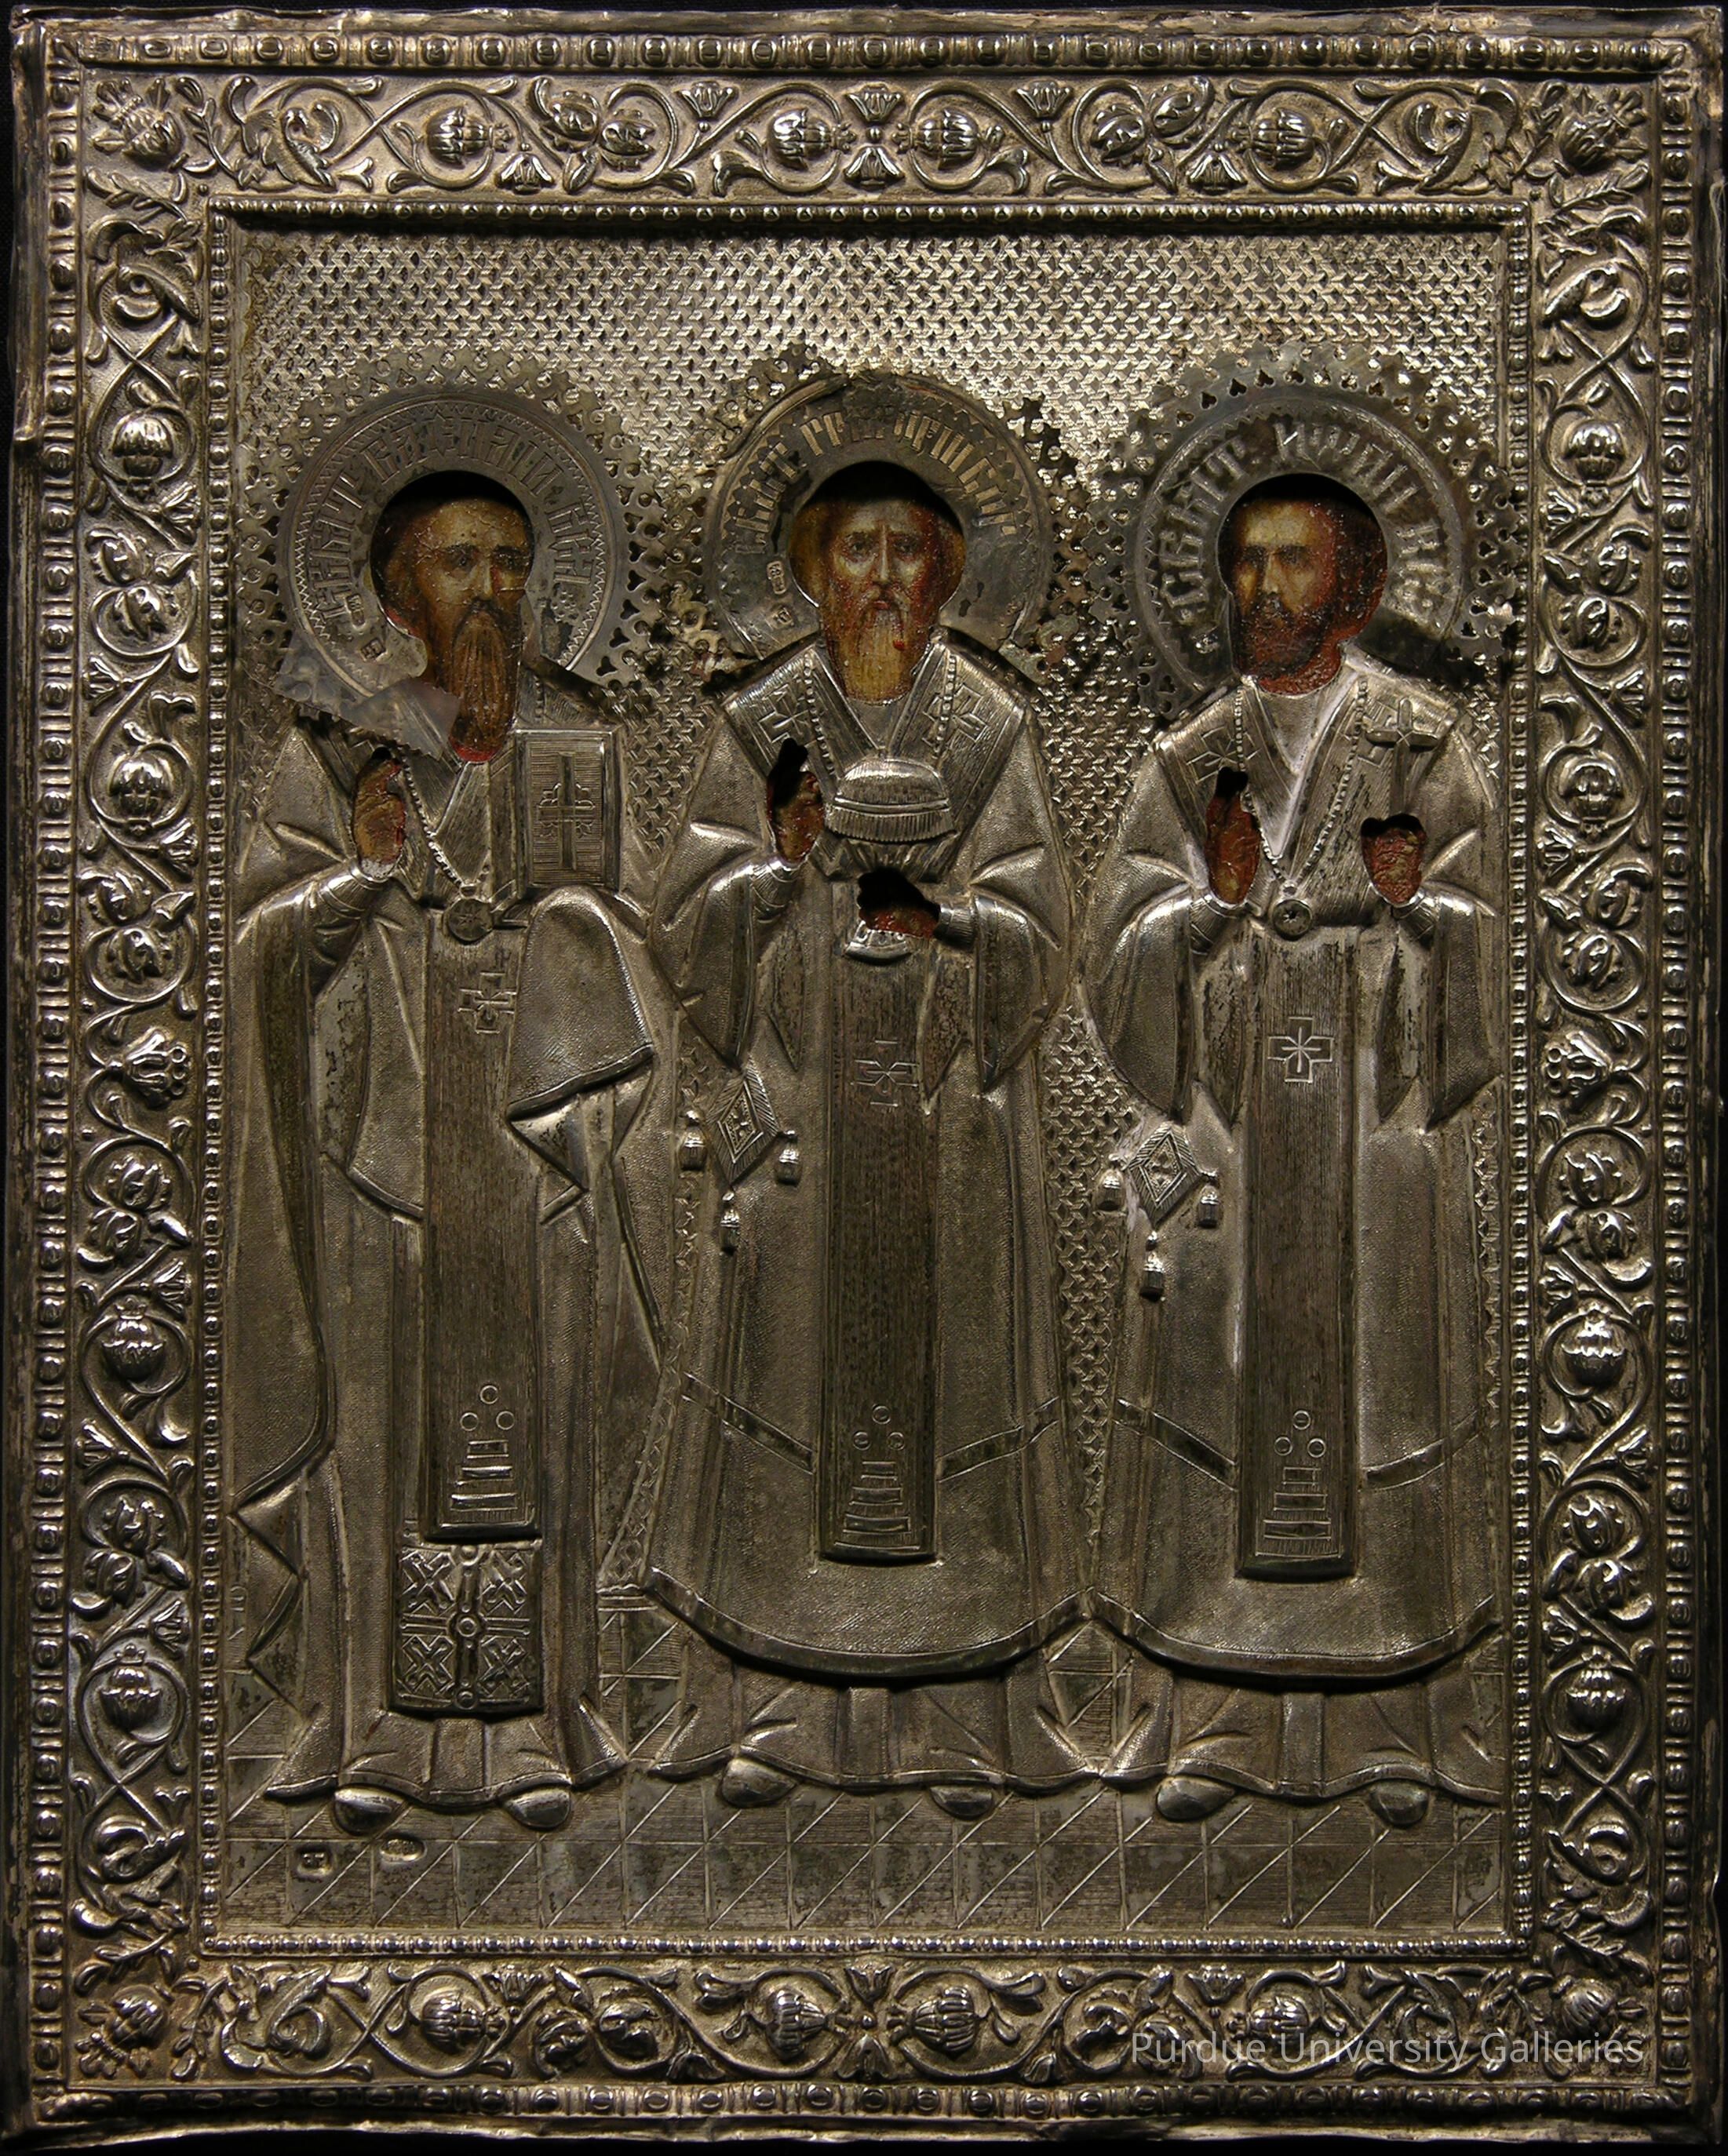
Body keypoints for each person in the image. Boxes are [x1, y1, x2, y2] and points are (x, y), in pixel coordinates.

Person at [643, 463, 1084, 1817]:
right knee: (789, 1383)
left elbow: (1040, 927)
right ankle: (773, 1710)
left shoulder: (987, 725)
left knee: (950, 1394)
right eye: (856, 549)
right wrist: (779, 867)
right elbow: (685, 919)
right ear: (810, 568)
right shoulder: (765, 720)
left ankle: (960, 1713)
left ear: (947, 571)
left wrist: (944, 920)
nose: (883, 579)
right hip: (803, 1115)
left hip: (945, 1125)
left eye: (908, 550)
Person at [233, 472, 665, 1832]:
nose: (491, 593)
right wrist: (358, 879)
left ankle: (537, 1727)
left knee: (538, 1427)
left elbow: (643, 945)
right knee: (380, 1426)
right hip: (385, 1139)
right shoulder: (333, 750)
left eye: (512, 565)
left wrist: (573, 936)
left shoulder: (578, 745)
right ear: (392, 595)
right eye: (459, 564)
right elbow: (255, 946)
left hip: (537, 1141)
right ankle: (372, 1730)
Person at [1084, 476, 1502, 1826]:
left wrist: (1416, 907)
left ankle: (1392, 1724)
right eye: (1246, 564)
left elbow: (1494, 926)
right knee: (1220, 1397)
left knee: (1379, 1389)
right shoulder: (1190, 755)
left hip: (1373, 1128)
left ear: (1354, 586)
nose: (1265, 591)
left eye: (1294, 563)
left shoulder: (1419, 742)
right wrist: (1203, 909)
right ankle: (1212, 1722)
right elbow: (1117, 943)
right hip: (1234, 1130)